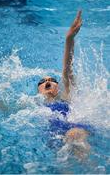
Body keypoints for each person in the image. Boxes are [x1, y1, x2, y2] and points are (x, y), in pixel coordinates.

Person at [37, 10, 92, 157]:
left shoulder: (65, 96)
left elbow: (67, 69)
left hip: (75, 128)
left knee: (74, 135)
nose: (48, 81)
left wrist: (69, 38)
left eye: (52, 80)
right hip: (53, 135)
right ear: (39, 90)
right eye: (43, 81)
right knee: (63, 162)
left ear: (58, 86)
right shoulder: (32, 107)